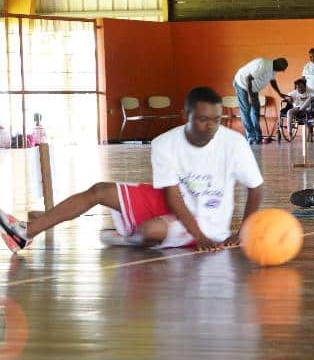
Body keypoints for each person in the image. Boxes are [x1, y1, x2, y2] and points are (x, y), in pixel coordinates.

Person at [2, 87, 264, 253]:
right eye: (203, 119)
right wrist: (198, 238)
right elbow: (172, 197)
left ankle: (128, 238)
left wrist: (240, 232)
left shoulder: (234, 143)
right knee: (100, 190)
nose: (210, 126)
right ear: (186, 115)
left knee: (150, 232)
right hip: (174, 200)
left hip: (206, 223)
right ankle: (26, 232)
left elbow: (255, 187)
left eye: (216, 120)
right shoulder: (165, 143)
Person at [233, 56, 288, 144]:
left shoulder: (273, 69)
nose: (283, 71)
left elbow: (272, 81)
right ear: (278, 65)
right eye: (282, 69)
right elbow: (248, 78)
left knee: (255, 111)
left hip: (252, 88)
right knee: (246, 111)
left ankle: (258, 136)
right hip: (242, 84)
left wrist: (280, 93)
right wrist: (250, 96)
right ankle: (251, 137)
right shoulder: (263, 65)